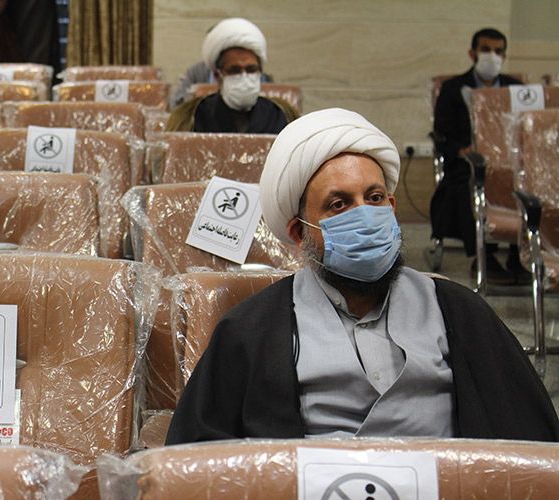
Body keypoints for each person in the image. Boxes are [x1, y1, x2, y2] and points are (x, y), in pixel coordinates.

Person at [166, 108, 559, 444]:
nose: (364, 216)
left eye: (374, 198)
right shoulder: (251, 330)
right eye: (339, 205)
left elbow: (530, 449)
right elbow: (198, 463)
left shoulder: (459, 311)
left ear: (391, 205)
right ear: (299, 232)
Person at [430, 28, 526, 285]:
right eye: (485, 49)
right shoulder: (453, 89)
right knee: (468, 186)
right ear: (472, 53)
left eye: (498, 51)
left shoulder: (516, 89)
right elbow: (442, 133)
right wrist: (460, 150)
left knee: (526, 186)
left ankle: (520, 254)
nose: (492, 56)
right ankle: (484, 257)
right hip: (468, 164)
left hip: (510, 165)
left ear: (504, 56)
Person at [166, 18, 298, 133]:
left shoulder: (283, 114)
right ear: (218, 75)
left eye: (251, 69)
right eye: (234, 70)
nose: (244, 77)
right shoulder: (190, 116)